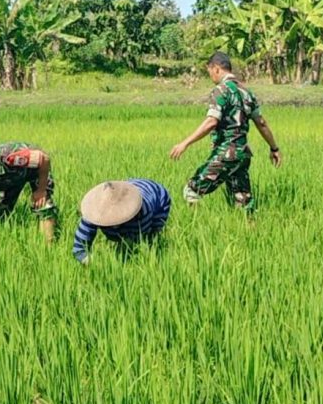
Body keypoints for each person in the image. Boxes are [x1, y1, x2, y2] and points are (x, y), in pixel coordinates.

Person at [169, 52, 281, 213]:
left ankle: (195, 228)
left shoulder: (220, 90)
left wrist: (184, 143)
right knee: (243, 201)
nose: (210, 77)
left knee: (191, 191)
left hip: (227, 154)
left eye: (209, 72)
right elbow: (261, 123)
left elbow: (211, 121)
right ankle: (250, 232)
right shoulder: (247, 92)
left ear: (216, 68)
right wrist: (274, 148)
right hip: (242, 155)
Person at [73, 179, 171, 264]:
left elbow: (137, 242)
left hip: (159, 198)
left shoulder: (142, 213)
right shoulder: (92, 214)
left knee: (149, 238)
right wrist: (95, 264)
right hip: (130, 189)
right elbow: (79, 249)